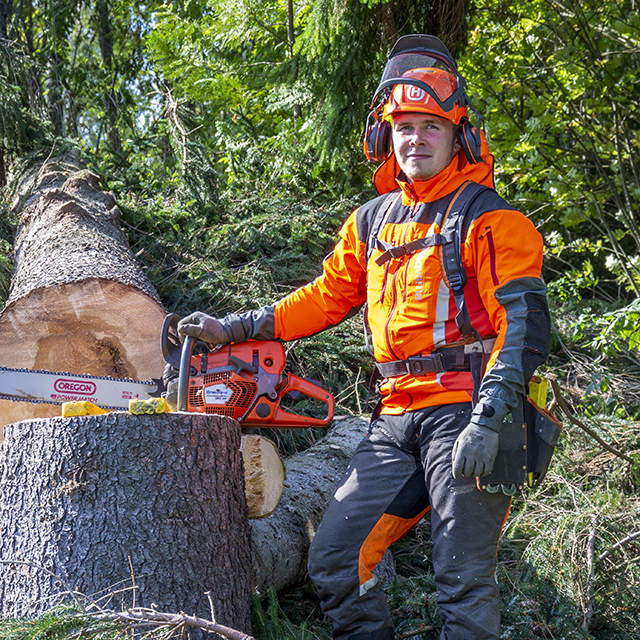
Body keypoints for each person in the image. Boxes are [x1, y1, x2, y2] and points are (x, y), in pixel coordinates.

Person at [175, 34, 550, 640]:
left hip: (473, 409)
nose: (415, 139)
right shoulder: (373, 221)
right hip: (395, 418)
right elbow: (324, 297)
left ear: (459, 135)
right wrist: (235, 327)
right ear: (386, 137)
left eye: (430, 126)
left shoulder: (492, 220)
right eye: (404, 126)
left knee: (462, 575)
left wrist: (491, 416)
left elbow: (526, 325)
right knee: (335, 560)